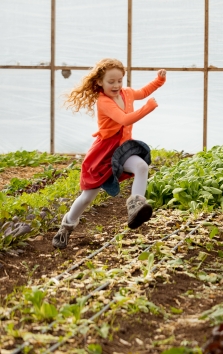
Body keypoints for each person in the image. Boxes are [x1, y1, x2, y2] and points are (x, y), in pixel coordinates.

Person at [53, 58, 165, 249]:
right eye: (111, 81)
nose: (116, 85)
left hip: (123, 149)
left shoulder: (126, 93)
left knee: (141, 166)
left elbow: (143, 92)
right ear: (99, 82)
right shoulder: (103, 101)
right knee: (87, 197)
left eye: (119, 80)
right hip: (104, 153)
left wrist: (159, 81)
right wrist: (147, 107)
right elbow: (124, 118)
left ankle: (136, 206)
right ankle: (66, 226)